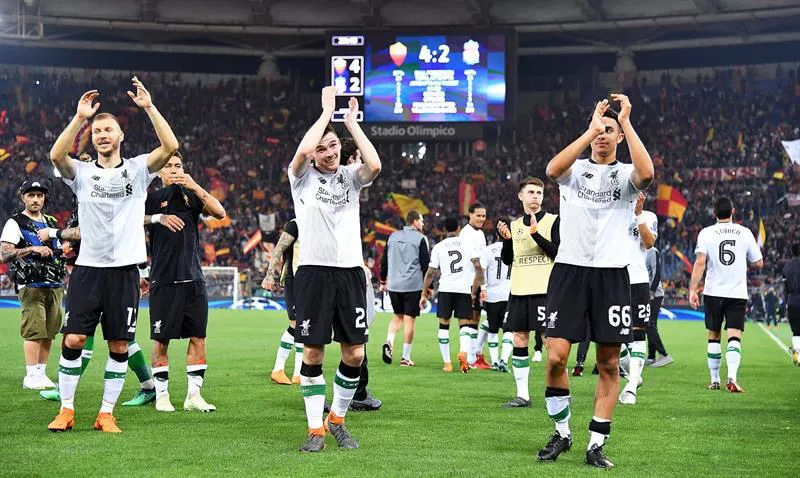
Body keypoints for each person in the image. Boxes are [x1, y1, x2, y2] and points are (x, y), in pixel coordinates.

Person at [46, 77, 179, 433]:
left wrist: (149, 107)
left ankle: (106, 412)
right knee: (73, 339)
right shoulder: (82, 174)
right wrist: (79, 119)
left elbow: (170, 145)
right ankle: (67, 409)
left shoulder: (137, 169)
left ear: (120, 136)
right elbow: (56, 155)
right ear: (92, 138)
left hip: (124, 271)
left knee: (120, 343)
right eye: (98, 131)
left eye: (109, 129)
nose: (102, 134)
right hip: (88, 269)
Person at [537, 95, 654, 469]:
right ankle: (562, 432)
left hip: (612, 275)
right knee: (555, 356)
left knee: (608, 363)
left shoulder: (626, 177)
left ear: (619, 138)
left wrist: (627, 121)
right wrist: (588, 130)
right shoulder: (574, 173)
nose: (603, 135)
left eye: (609, 131)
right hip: (569, 271)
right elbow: (552, 170)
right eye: (599, 131)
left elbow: (648, 174)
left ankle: (596, 443)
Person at [288, 89, 381, 452]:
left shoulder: (350, 178)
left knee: (354, 353)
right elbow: (300, 153)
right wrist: (325, 113)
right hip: (313, 272)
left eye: (333, 146)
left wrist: (351, 125)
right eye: (322, 148)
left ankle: (337, 419)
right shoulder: (301, 178)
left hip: (350, 273)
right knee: (312, 354)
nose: (330, 153)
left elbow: (374, 165)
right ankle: (315, 429)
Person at [143, 152, 226, 412]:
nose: (174, 169)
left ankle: (193, 396)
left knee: (198, 338)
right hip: (163, 279)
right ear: (158, 172)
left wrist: (194, 185)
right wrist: (158, 218)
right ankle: (162, 395)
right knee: (161, 340)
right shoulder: (152, 198)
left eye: (178, 165)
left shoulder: (191, 197)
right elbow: (128, 220)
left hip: (193, 278)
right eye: (168, 166)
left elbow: (220, 212)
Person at [496, 177, 560, 408]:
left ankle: (555, 391)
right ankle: (522, 395)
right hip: (520, 289)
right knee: (519, 338)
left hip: (546, 290)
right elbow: (507, 260)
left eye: (539, 193)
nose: (536, 196)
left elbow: (558, 252)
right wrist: (506, 241)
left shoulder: (554, 221)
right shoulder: (513, 226)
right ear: (520, 196)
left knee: (551, 341)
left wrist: (535, 234)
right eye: (531, 192)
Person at [690, 196, 763, 393]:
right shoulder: (745, 232)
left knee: (713, 335)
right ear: (732, 212)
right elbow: (759, 262)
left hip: (713, 292)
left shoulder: (706, 233)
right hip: (737, 293)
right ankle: (731, 376)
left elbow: (700, 262)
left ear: (715, 213)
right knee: (734, 336)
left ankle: (714, 380)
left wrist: (692, 289)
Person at [0, 180, 64, 391]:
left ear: (44, 198)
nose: (36, 199)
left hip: (54, 283)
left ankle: (41, 373)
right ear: (23, 197)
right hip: (31, 284)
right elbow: (4, 254)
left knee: (49, 331)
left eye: (39, 195)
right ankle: (30, 375)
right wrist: (31, 249)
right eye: (31, 195)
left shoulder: (52, 222)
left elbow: (59, 249)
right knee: (34, 330)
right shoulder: (15, 222)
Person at [420, 216, 485, 373]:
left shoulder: (439, 247)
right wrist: (475, 289)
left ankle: (447, 363)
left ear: (444, 230)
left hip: (446, 289)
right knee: (465, 325)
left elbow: (430, 272)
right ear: (458, 229)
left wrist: (423, 293)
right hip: (463, 289)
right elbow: (478, 268)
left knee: (444, 325)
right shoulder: (468, 245)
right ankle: (463, 352)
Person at [618, 192, 658, 405]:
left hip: (637, 279)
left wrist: (639, 215)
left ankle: (632, 385)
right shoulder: (612, 213)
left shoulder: (649, 216)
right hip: (612, 280)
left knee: (638, 332)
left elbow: (649, 242)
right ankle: (631, 368)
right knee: (607, 335)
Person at [380, 210, 429, 366]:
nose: (423, 224)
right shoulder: (421, 239)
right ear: (414, 221)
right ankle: (405, 358)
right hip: (412, 285)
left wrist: (383, 280)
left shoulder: (393, 237)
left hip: (394, 285)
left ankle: (389, 342)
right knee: (409, 321)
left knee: (397, 317)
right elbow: (425, 265)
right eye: (421, 221)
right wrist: (430, 287)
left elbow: (384, 261)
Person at [263, 219, 303, 386]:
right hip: (294, 279)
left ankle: (297, 373)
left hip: (309, 281)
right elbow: (277, 250)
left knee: (304, 326)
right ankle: (278, 369)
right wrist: (269, 275)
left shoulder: (317, 223)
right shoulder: (295, 224)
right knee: (296, 324)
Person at [460, 203, 491, 369]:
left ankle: (473, 355)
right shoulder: (467, 233)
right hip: (470, 281)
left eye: (484, 216)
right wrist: (481, 286)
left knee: (476, 317)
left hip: (478, 280)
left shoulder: (480, 233)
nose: (481, 219)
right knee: (471, 316)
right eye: (478, 215)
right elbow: (476, 263)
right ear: (470, 215)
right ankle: (471, 356)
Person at [477, 234, 510, 372]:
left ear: (496, 234)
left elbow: (481, 270)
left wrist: (482, 289)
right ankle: (504, 360)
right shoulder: (515, 248)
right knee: (509, 330)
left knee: (493, 329)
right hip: (510, 294)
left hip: (492, 295)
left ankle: (495, 361)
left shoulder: (488, 250)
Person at [645, 247, 672, 367]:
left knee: (649, 324)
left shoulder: (652, 251)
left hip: (654, 294)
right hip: (645, 293)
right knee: (650, 324)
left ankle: (664, 354)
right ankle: (651, 357)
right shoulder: (641, 251)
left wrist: (651, 291)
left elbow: (657, 272)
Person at [783, 243, 800, 366]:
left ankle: (797, 354)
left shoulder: (787, 267)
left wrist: (786, 302)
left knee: (796, 331)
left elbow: (785, 288)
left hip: (792, 301)